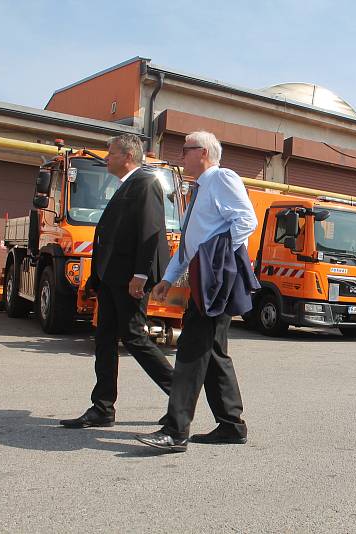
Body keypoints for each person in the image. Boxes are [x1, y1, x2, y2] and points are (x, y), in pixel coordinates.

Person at [135, 130, 258, 453]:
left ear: (202, 152)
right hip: (205, 278)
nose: (181, 156)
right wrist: (170, 277)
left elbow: (246, 220)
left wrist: (216, 257)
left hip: (215, 278)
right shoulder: (200, 190)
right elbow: (190, 242)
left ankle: (175, 431)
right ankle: (232, 425)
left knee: (191, 349)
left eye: (185, 150)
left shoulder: (221, 178)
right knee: (214, 352)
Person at [60, 134, 174, 429]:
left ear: (127, 156)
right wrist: (97, 277)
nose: (107, 158)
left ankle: (180, 393)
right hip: (112, 279)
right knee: (105, 339)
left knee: (134, 337)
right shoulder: (126, 185)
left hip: (129, 280)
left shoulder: (146, 183)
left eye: (110, 154)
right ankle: (102, 408)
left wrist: (141, 274)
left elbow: (151, 232)